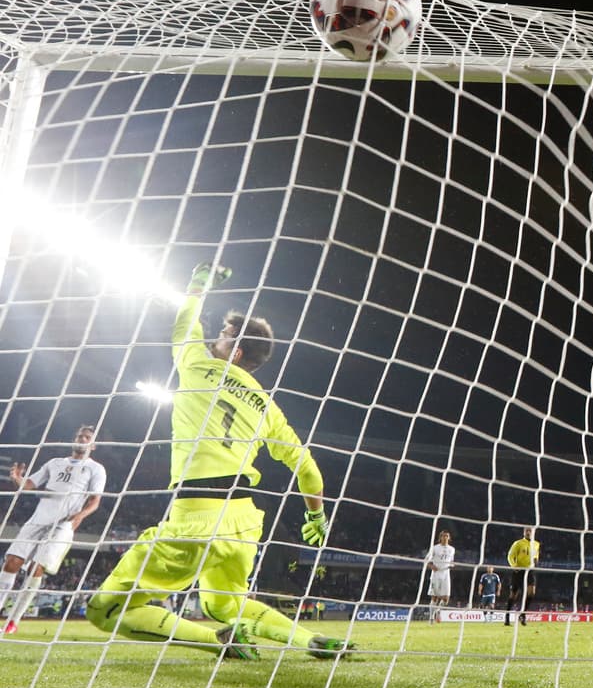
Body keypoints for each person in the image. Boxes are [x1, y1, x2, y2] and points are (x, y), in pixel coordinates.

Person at [86, 263, 352, 660]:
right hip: (243, 522)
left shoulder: (197, 365)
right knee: (222, 604)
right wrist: (316, 515)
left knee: (103, 610)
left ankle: (219, 642)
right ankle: (307, 640)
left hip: (197, 516)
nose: (216, 338)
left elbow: (184, 324)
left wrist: (197, 285)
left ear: (236, 350)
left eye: (224, 335)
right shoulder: (266, 404)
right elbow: (307, 467)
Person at [0, 425, 106, 635]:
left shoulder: (96, 469)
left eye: (87, 437)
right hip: (38, 519)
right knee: (11, 562)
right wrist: (17, 479)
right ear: (73, 440)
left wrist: (79, 516)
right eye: (79, 436)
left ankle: (13, 620)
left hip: (63, 525)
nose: (82, 439)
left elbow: (95, 500)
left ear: (92, 445)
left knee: (36, 568)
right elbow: (29, 485)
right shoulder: (55, 463)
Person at [505, 526, 539, 626]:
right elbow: (510, 555)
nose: (528, 532)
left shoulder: (536, 544)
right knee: (514, 595)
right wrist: (514, 566)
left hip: (530, 571)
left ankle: (522, 614)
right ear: (524, 532)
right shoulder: (518, 543)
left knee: (531, 593)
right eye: (527, 531)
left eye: (530, 531)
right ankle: (507, 617)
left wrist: (536, 561)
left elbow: (536, 556)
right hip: (519, 571)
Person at [426, 530, 455, 623]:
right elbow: (427, 560)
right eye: (443, 536)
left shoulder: (452, 549)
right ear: (440, 538)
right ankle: (431, 618)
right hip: (436, 574)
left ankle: (437, 611)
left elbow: (451, 561)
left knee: (446, 599)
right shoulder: (434, 548)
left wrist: (452, 564)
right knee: (434, 597)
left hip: (446, 573)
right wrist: (431, 566)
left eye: (447, 536)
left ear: (449, 538)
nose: (445, 537)